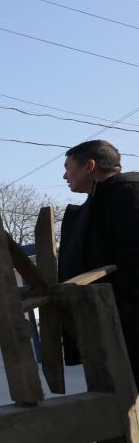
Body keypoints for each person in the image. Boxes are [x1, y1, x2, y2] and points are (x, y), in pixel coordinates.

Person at [59, 139, 139, 384]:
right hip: (111, 321)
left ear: (89, 166)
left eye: (68, 167)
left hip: (129, 322)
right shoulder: (100, 200)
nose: (64, 176)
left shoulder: (128, 194)